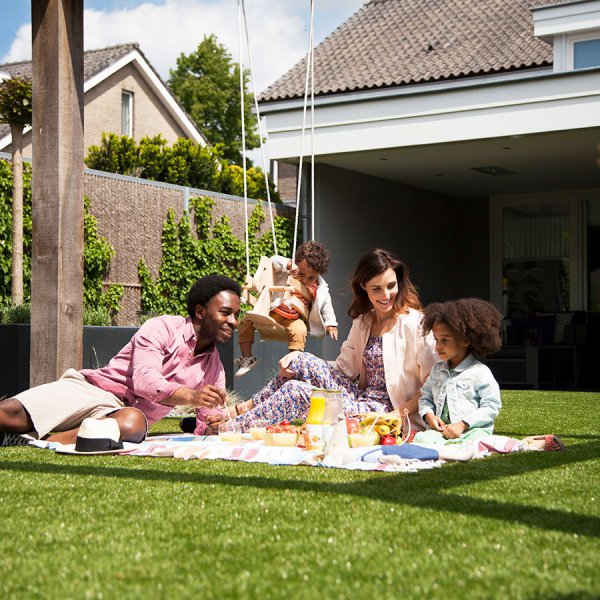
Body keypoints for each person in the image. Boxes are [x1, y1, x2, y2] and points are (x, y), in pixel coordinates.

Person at [0, 275, 241, 447]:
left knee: (132, 424)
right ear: (200, 312)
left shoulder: (214, 368)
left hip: (124, 414)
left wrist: (213, 424)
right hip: (93, 391)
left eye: (237, 315)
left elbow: (205, 424)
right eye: (226, 313)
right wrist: (190, 395)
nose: (234, 322)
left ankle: (39, 442)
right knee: (8, 415)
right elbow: (145, 381)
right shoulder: (163, 327)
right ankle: (24, 430)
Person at [219, 248, 438, 432]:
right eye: (377, 289)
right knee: (299, 361)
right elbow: (344, 370)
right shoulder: (364, 321)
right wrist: (299, 356)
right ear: (364, 287)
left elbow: (431, 385)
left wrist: (397, 415)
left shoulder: (415, 324)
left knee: (296, 391)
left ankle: (229, 426)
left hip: (387, 410)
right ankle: (243, 409)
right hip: (358, 397)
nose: (386, 294)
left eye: (391, 286)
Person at [414, 298, 564, 452]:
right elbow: (425, 397)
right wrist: (429, 415)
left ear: (465, 340)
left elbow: (491, 406)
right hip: (443, 433)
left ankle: (527, 445)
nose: (438, 346)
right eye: (436, 339)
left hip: (473, 431)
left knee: (477, 443)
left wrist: (463, 424)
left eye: (444, 340)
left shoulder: (480, 372)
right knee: (421, 439)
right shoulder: (437, 371)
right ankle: (456, 448)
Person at [234, 241, 338, 377]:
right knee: (245, 322)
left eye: (311, 277)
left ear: (318, 274)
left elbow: (326, 305)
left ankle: (293, 364)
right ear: (295, 264)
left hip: (293, 319)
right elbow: (273, 260)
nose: (305, 280)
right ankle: (247, 357)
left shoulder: (319, 287)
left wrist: (331, 324)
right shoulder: (286, 271)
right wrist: (288, 264)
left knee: (300, 330)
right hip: (271, 311)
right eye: (301, 274)